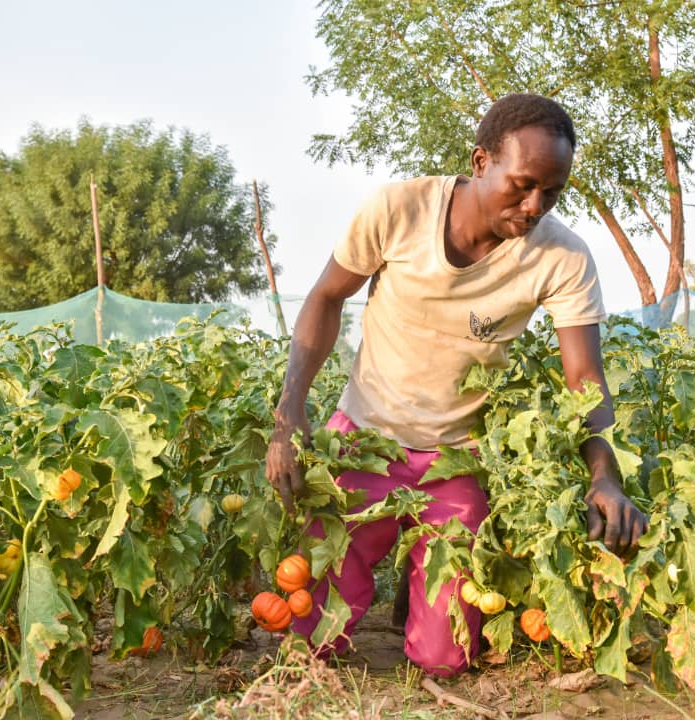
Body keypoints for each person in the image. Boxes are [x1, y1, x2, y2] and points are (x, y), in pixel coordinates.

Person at [265, 93, 648, 677]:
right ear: (479, 162)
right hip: (367, 438)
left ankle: (422, 574)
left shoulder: (562, 257)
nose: (535, 204)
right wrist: (289, 413)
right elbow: (325, 296)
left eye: (553, 191)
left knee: (444, 661)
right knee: (310, 644)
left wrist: (607, 477)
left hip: (456, 457)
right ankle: (392, 560)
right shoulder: (400, 210)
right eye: (522, 184)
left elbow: (585, 381)